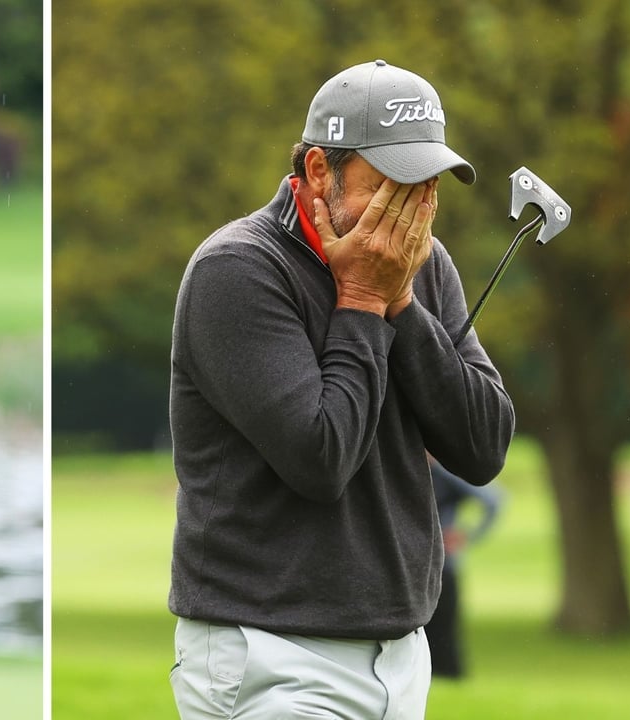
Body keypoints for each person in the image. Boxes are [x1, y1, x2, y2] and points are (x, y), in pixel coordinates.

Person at [167, 59, 515, 720]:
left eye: (427, 184)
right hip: (273, 651)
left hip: (401, 656)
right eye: (393, 182)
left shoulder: (419, 263)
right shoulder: (237, 270)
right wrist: (362, 299)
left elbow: (484, 446)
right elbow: (319, 458)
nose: (414, 209)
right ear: (320, 171)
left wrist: (404, 304)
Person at [426, 456, 503, 679]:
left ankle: (449, 676)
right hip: (411, 568)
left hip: (443, 566)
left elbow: (494, 501)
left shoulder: (445, 473)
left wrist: (467, 536)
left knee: (443, 633)